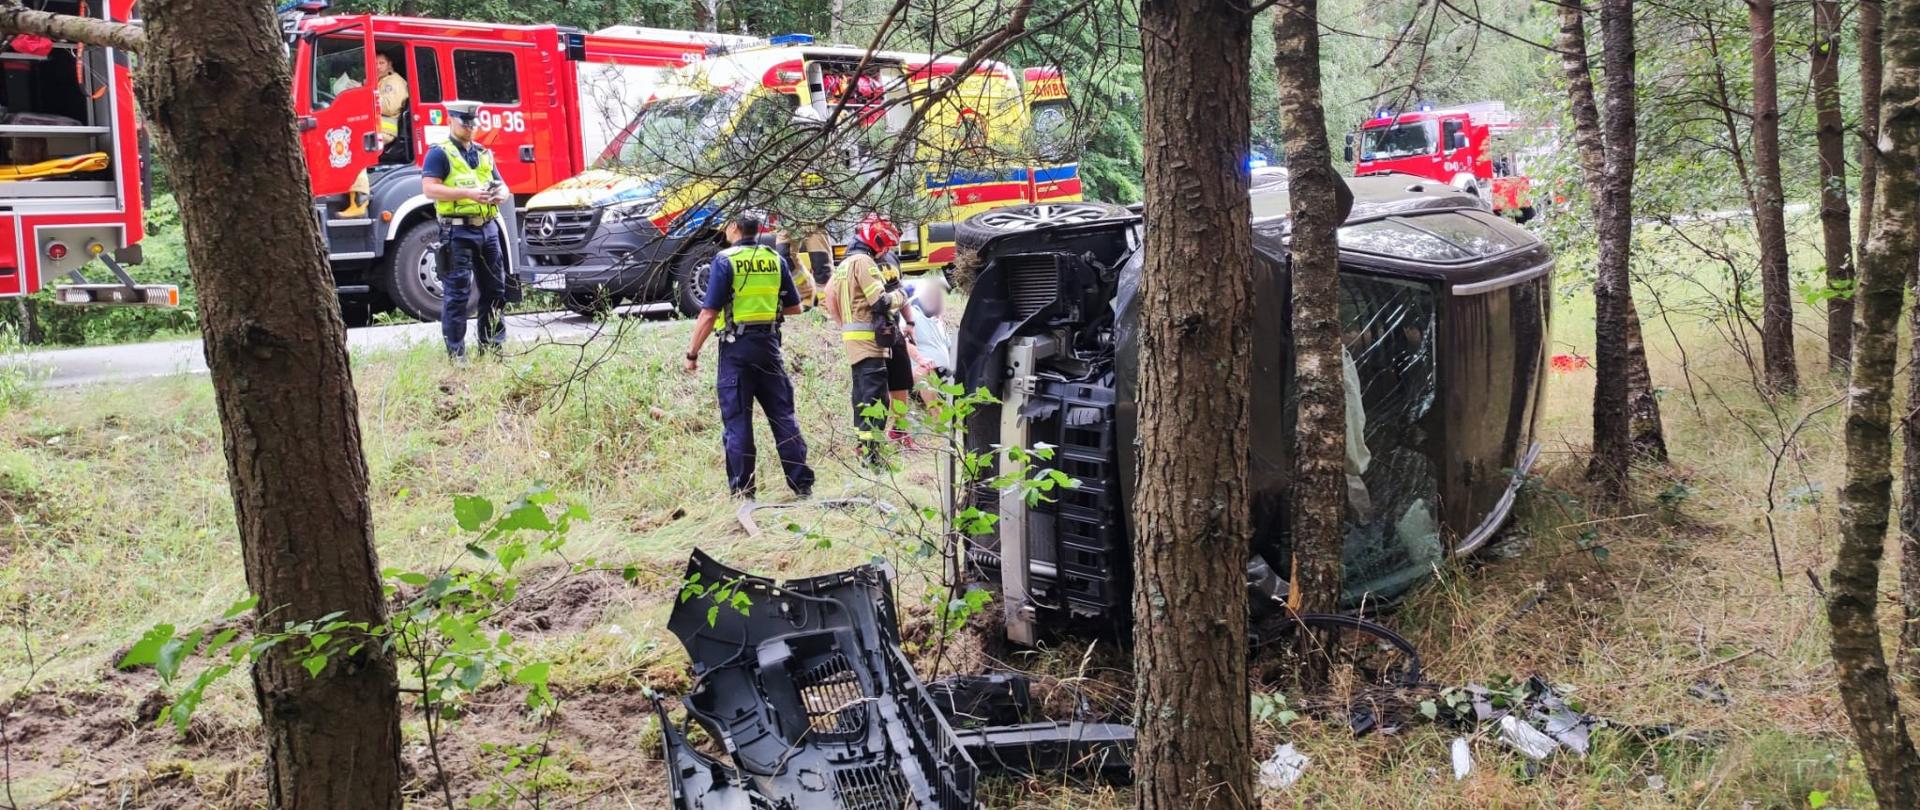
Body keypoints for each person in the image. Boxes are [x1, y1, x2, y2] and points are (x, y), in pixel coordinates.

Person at [683, 213, 815, 499]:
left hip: (736, 349)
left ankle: (744, 491)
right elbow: (795, 308)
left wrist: (692, 353)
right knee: (783, 416)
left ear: (733, 228)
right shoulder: (773, 259)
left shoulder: (725, 260)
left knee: (738, 421)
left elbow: (708, 314)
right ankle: (802, 485)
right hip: (769, 347)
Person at [421, 100, 509, 359]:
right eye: (464, 123)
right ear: (450, 121)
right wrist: (469, 193)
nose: (470, 128)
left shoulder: (483, 153)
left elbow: (503, 185)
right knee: (458, 294)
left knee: (495, 290)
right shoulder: (439, 153)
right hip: (457, 232)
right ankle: (457, 353)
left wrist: (500, 194)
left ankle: (492, 348)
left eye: (473, 123)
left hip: (488, 229)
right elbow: (429, 188)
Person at [824, 214, 908, 466]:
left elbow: (832, 300)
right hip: (870, 344)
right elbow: (880, 302)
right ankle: (873, 457)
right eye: (885, 243)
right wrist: (903, 295)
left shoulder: (845, 264)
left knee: (862, 399)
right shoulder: (864, 262)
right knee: (875, 400)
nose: (886, 249)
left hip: (854, 343)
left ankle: (864, 450)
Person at [339, 53, 411, 218]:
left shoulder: (394, 82)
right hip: (372, 129)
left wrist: (363, 94)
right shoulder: (378, 82)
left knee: (354, 147)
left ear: (389, 64)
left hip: (384, 132)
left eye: (381, 63)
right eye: (374, 63)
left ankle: (360, 199)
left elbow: (388, 106)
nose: (378, 66)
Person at [905, 277, 953, 406]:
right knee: (923, 371)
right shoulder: (910, 317)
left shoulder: (937, 323)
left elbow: (949, 347)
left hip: (942, 373)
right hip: (921, 373)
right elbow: (903, 342)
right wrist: (920, 359)